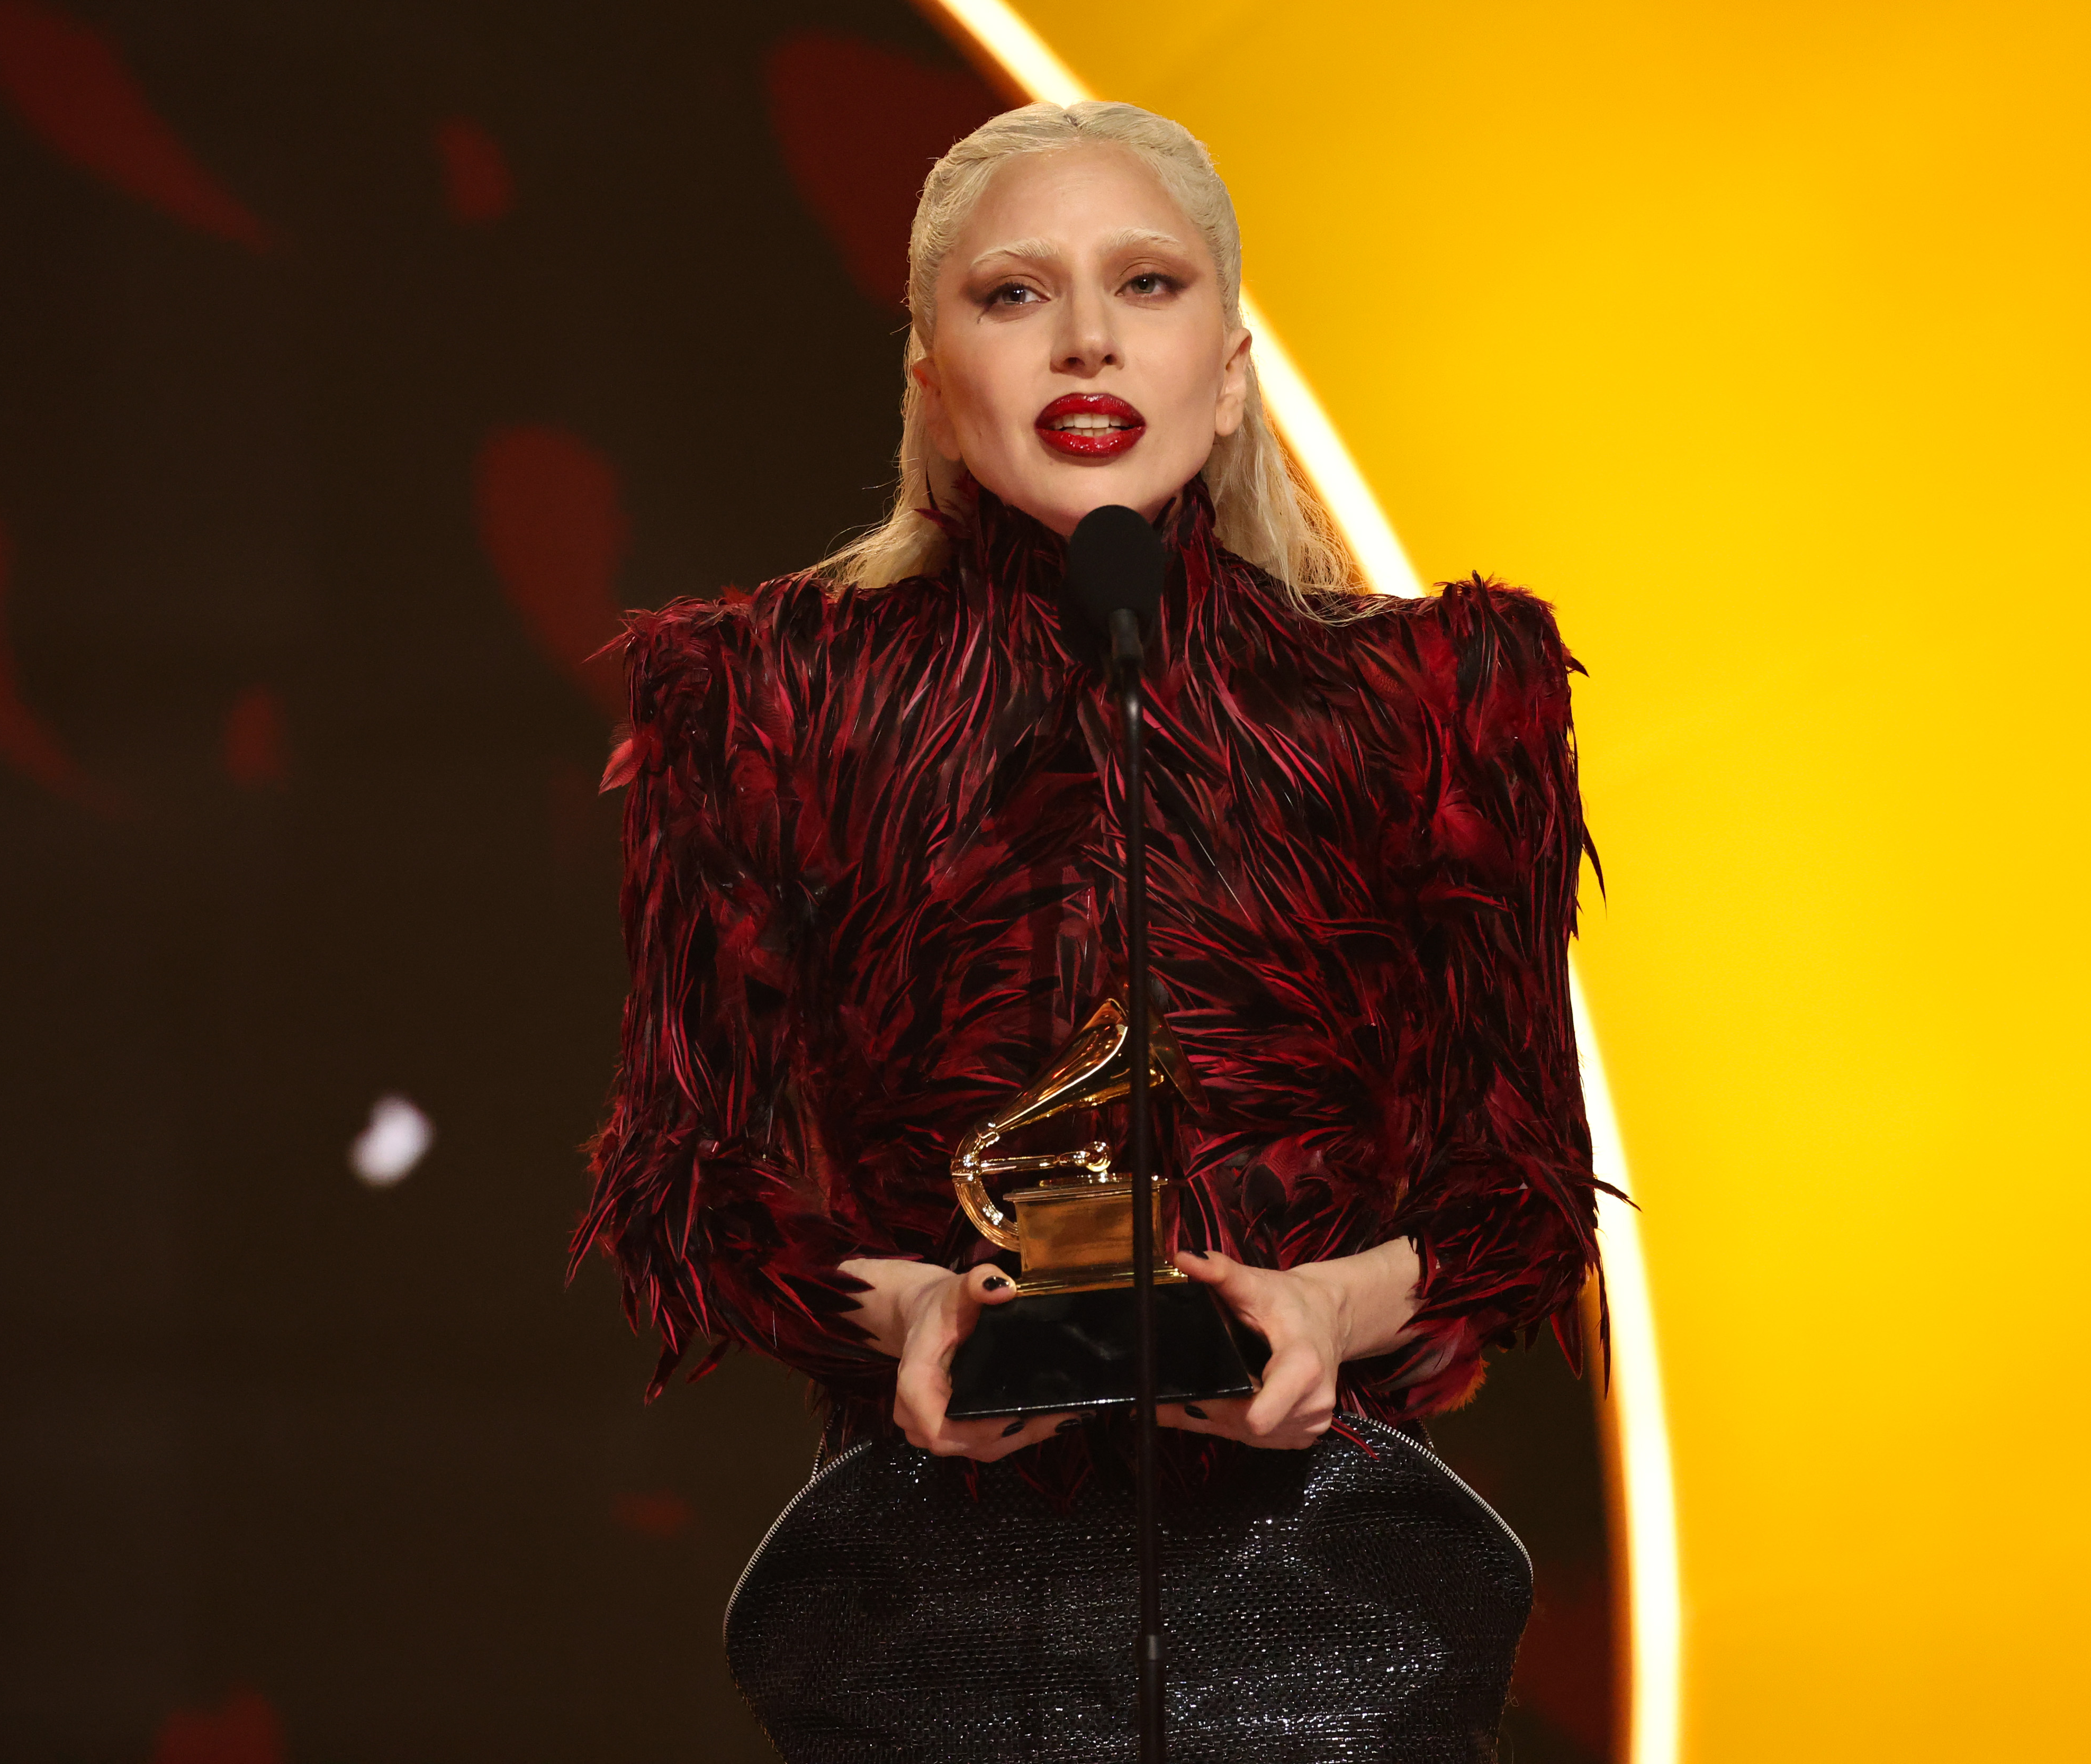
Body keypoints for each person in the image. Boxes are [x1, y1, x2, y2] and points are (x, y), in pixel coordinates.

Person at [576, 99, 1598, 1762]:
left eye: (1147, 282)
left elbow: (1522, 1196)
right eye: (1014, 294)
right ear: (930, 379)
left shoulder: (1436, 699)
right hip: (937, 1622)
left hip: (1327, 1612)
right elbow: (685, 1185)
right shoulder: (766, 698)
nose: (1088, 342)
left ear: (1233, 367)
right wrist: (917, 1313)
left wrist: (1323, 1316)